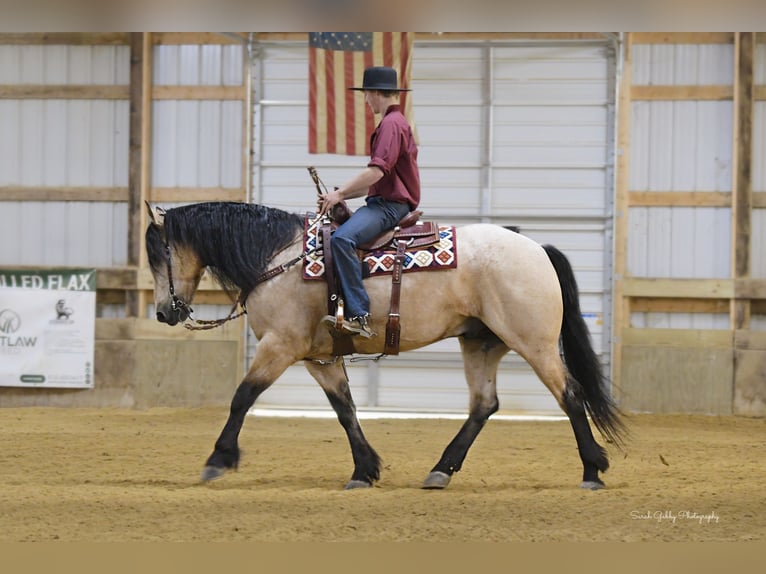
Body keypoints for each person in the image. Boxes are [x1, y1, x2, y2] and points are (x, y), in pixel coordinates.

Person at [317, 66, 420, 338]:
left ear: (375, 93)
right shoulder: (394, 123)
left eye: (366, 95)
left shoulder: (390, 125)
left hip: (388, 207)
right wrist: (339, 196)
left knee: (341, 239)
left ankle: (359, 315)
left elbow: (376, 171)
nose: (365, 101)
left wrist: (338, 194)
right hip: (383, 202)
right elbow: (374, 182)